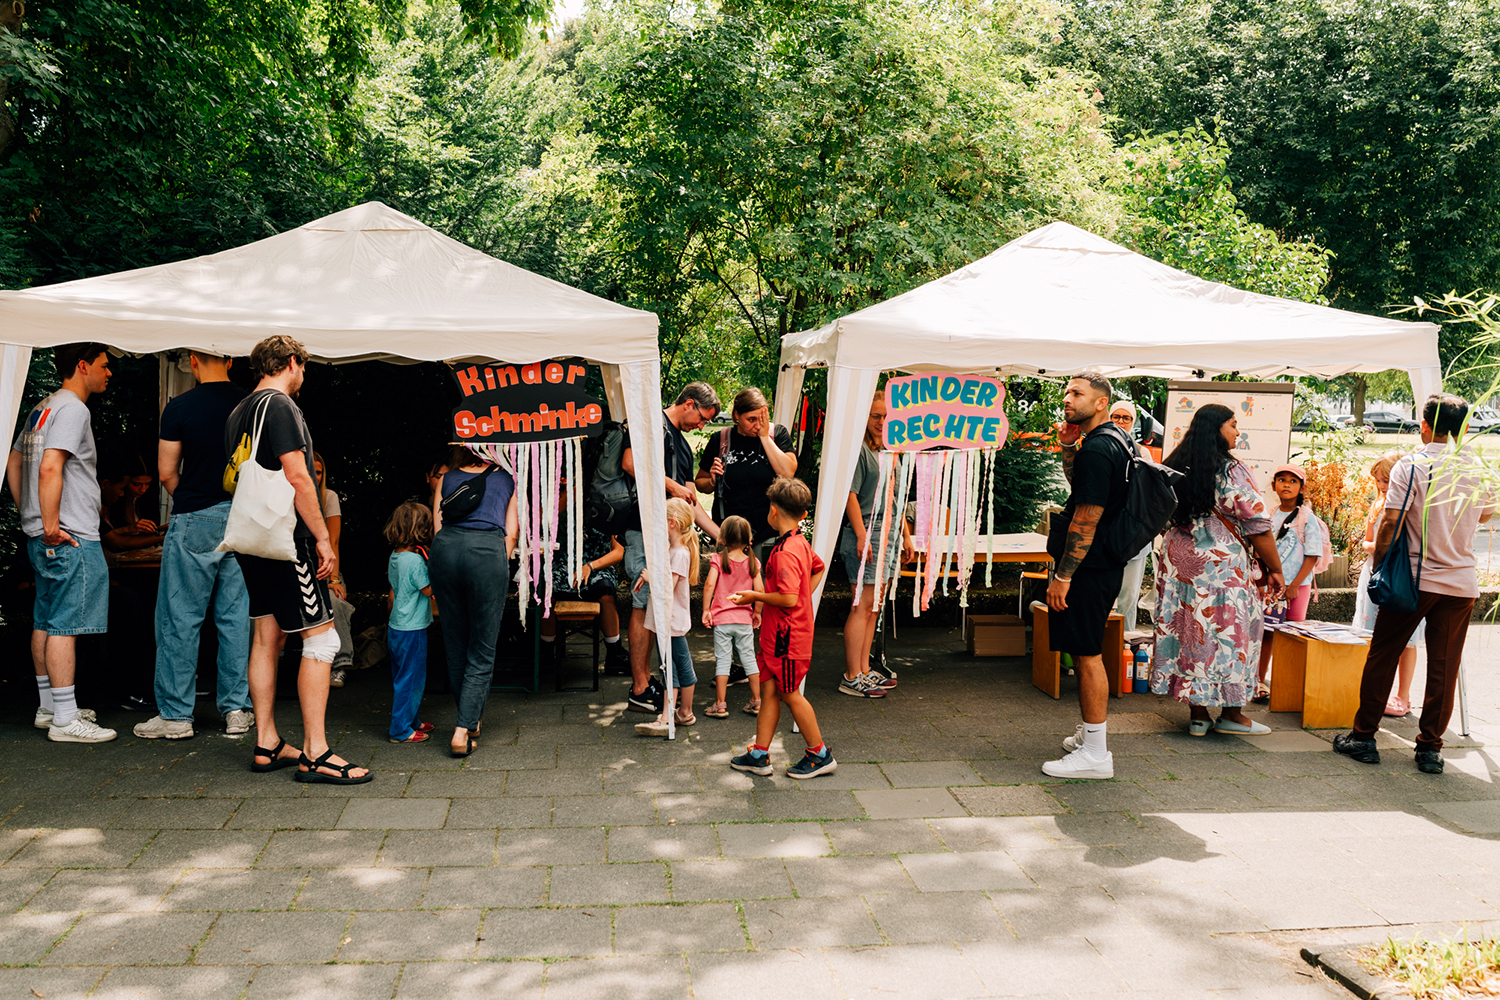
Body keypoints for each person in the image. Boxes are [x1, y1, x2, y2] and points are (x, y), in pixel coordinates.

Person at [226, 336, 370, 784]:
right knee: (322, 640)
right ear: (293, 362)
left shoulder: (239, 411)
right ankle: (316, 752)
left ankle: (267, 742)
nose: (303, 376)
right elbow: (298, 476)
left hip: (253, 539)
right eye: (303, 367)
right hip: (289, 539)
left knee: (266, 636)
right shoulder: (281, 405)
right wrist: (324, 540)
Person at [1336, 393, 1497, 774]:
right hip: (1461, 582)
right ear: (1465, 428)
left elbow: (1391, 520)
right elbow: (1487, 515)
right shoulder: (1479, 467)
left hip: (1413, 579)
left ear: (1424, 426)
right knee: (1443, 665)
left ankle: (1364, 737)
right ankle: (1429, 749)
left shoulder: (1412, 464)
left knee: (1385, 653)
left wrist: (1378, 566)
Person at [135, 350, 253, 741]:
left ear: (192, 361)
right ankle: (237, 710)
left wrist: (188, 500)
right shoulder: (253, 402)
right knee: (235, 618)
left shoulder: (180, 407)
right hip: (244, 518)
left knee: (180, 617)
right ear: (230, 361)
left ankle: (176, 716)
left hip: (195, 517)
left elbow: (167, 470)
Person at [1149, 403, 1285, 737]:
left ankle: (1198, 715)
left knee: (1189, 630)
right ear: (1218, 430)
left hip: (1181, 562)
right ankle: (1232, 714)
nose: (1238, 432)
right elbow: (1258, 525)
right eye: (1234, 425)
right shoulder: (1232, 471)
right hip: (1222, 569)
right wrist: (1276, 568)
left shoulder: (1176, 466)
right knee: (1231, 634)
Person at [6, 343, 118, 743]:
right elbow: (51, 464)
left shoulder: (43, 406)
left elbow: (15, 461)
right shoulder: (73, 409)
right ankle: (66, 720)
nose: (109, 373)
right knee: (65, 626)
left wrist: (31, 516)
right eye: (104, 366)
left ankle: (49, 707)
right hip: (68, 533)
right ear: (82, 366)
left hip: (42, 531)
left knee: (46, 619)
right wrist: (52, 524)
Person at [1042, 372, 1134, 779]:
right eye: (1066, 392)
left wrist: (1063, 575)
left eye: (1076, 393)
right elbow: (1083, 489)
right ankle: (1089, 736)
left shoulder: (1099, 449)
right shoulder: (1113, 439)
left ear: (1100, 402)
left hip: (1088, 565)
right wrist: (1066, 447)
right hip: (1103, 561)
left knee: (1086, 652)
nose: (1067, 399)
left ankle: (1096, 754)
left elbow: (1086, 515)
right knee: (1085, 648)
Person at [620, 382, 720, 714]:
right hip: (643, 529)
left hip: (670, 534)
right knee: (643, 602)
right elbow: (631, 464)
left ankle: (648, 681)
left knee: (655, 603)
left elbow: (692, 503)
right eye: (703, 418)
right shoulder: (652, 425)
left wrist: (722, 536)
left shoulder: (685, 448)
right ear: (688, 403)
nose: (702, 426)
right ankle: (639, 686)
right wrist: (672, 485)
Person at [728, 477, 836, 779]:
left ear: (773, 511)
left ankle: (820, 754)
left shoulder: (787, 550)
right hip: (781, 637)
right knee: (771, 692)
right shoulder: (797, 542)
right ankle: (760, 754)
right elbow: (818, 567)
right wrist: (803, 596)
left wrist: (755, 596)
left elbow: (788, 597)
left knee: (789, 695)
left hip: (787, 639)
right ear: (802, 515)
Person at [431, 446, 518, 758]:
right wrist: (498, 562)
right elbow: (511, 532)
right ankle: (462, 728)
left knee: (455, 643)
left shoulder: (448, 477)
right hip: (486, 552)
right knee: (482, 647)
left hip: (445, 550)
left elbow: (437, 525)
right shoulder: (509, 479)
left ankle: (471, 720)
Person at [839, 390, 913, 698]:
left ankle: (865, 669)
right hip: (868, 530)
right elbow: (850, 495)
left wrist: (906, 535)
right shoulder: (859, 451)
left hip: (890, 531)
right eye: (875, 416)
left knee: (874, 608)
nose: (881, 422)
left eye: (886, 417)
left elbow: (894, 498)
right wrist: (861, 535)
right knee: (862, 605)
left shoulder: (888, 450)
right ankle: (852, 674)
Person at [1352, 451, 1424, 716]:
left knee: (1408, 641)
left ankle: (1403, 695)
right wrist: (1379, 546)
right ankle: (1376, 692)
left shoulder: (1412, 506)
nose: (1383, 486)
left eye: (1388, 480)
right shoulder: (1378, 505)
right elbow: (1367, 541)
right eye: (1379, 481)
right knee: (1374, 637)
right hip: (1376, 573)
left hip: (1403, 576)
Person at [539, 477, 629, 675]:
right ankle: (546, 651)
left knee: (606, 592)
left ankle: (614, 652)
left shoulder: (610, 506)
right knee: (546, 590)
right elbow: (542, 519)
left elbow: (618, 552)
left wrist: (590, 566)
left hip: (597, 563)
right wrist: (568, 494)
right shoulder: (566, 500)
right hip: (565, 562)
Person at [695, 387, 797, 559]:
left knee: (765, 584)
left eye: (761, 419)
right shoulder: (720, 440)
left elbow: (787, 473)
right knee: (733, 584)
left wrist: (764, 438)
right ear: (736, 415)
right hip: (730, 532)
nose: (757, 425)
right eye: (751, 419)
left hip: (769, 530)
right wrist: (712, 481)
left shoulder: (776, 435)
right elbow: (700, 483)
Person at [1253, 464, 1327, 700]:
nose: (1286, 484)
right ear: (1274, 485)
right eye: (1282, 480)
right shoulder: (1270, 514)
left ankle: (1288, 685)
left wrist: (1294, 585)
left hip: (1299, 587)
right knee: (1267, 633)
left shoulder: (1307, 518)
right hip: (1273, 589)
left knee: (1293, 635)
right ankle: (1259, 681)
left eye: (1293, 481)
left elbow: (1313, 554)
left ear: (1302, 487)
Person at [635, 498, 700, 737]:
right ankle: (684, 712)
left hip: (671, 622)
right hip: (670, 621)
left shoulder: (680, 554)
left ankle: (667, 716)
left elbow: (667, 589)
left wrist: (651, 578)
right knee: (679, 667)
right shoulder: (673, 550)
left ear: (671, 523)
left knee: (670, 670)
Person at [701, 515, 764, 718]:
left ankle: (720, 704)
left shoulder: (718, 560)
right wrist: (757, 612)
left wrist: (706, 610)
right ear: (749, 540)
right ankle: (756, 701)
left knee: (722, 660)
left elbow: (709, 585)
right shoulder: (753, 562)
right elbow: (760, 590)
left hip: (722, 620)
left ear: (723, 539)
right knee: (749, 659)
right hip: (744, 620)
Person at [384, 501, 435, 744]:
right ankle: (400, 729)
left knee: (403, 676)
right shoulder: (415, 562)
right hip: (412, 629)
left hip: (397, 626)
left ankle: (411, 719)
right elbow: (428, 591)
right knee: (411, 679)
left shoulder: (396, 556)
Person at [1105, 400, 1151, 632]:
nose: (1121, 421)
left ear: (1133, 422)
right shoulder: (1100, 446)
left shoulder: (1143, 453)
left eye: (1126, 418)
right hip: (1104, 533)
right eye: (1116, 416)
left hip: (1134, 536)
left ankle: (1127, 645)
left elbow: (1150, 493)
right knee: (1102, 592)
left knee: (1129, 595)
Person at [314, 453, 356, 688]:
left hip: (325, 567)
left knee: (335, 600)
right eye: (311, 470)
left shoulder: (328, 497)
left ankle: (340, 663)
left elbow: (334, 542)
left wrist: (333, 577)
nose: (315, 476)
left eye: (319, 472)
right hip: (296, 567)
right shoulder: (287, 495)